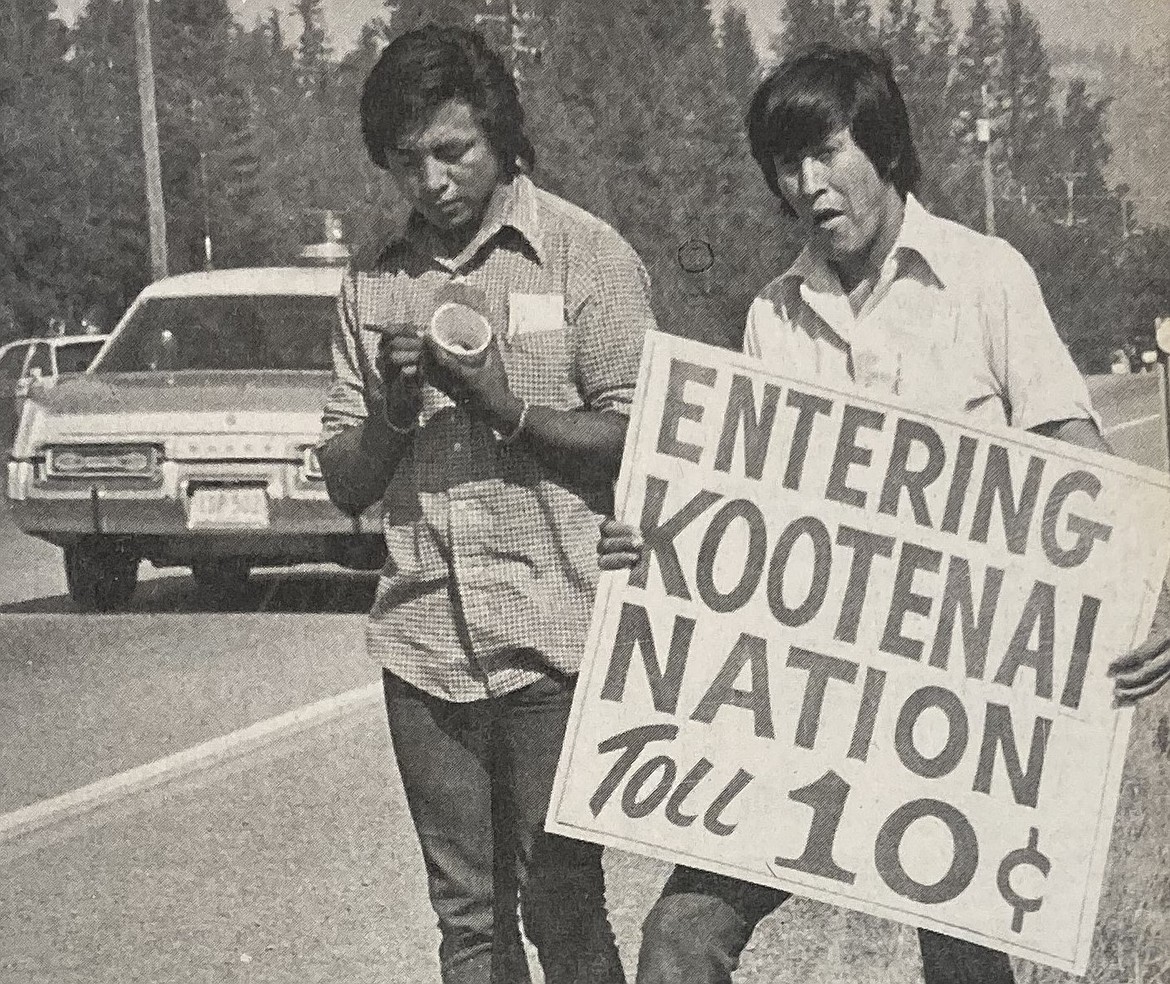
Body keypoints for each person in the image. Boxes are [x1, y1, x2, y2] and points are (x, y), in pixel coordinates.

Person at [598, 44, 1170, 984]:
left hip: (953, 728)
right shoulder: (771, 317)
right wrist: (654, 540)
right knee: (678, 942)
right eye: (787, 166)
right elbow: (743, 508)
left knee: (965, 970)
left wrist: (1156, 586)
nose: (809, 185)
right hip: (804, 720)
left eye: (827, 152)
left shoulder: (986, 278)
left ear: (886, 146)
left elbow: (1079, 461)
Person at [315, 25, 656, 984]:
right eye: (406, 161)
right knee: (466, 924)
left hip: (557, 638)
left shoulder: (585, 257)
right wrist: (391, 411)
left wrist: (502, 405)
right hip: (424, 645)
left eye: (453, 152)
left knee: (563, 905)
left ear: (502, 136)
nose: (431, 183)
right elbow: (346, 478)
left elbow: (639, 435)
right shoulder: (373, 279)